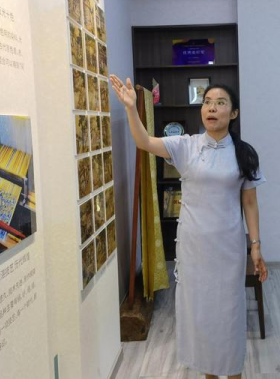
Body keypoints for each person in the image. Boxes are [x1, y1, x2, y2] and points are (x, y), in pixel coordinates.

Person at [109, 75, 268, 379]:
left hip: (228, 249)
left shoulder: (245, 153)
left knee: (229, 315)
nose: (212, 108)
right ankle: (209, 373)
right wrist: (130, 108)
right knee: (201, 316)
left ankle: (233, 372)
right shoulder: (186, 145)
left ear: (233, 113)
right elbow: (144, 142)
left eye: (220, 103)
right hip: (194, 248)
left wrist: (256, 246)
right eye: (207, 102)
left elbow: (250, 202)